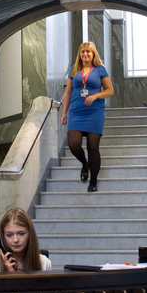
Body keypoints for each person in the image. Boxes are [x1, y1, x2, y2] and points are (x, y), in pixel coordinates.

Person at [60, 42, 114, 192]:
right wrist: (64, 112)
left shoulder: (100, 70)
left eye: (88, 52)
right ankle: (85, 164)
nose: (85, 54)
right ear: (80, 54)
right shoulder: (74, 70)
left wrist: (96, 95)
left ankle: (93, 181)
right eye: (83, 52)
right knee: (73, 144)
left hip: (95, 113)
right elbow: (69, 92)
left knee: (93, 147)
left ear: (93, 54)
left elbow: (110, 91)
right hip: (76, 112)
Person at [0, 208, 52, 272]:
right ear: (2, 237)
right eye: (9, 235)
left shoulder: (44, 262)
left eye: (21, 234)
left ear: (30, 234)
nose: (15, 240)